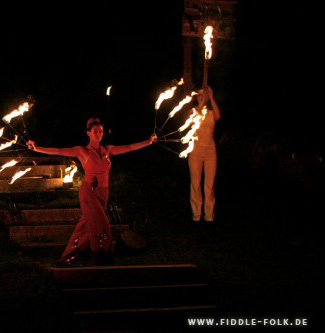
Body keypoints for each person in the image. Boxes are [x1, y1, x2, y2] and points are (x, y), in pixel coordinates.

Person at [27, 118, 157, 265]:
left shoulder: (107, 150)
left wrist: (148, 141)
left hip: (104, 192)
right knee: (102, 223)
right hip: (89, 192)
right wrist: (37, 148)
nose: (99, 134)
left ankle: (69, 258)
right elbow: (58, 150)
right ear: (88, 133)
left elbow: (130, 146)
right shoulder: (82, 151)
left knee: (85, 228)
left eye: (101, 131)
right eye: (95, 131)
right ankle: (103, 256)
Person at [188, 86, 221, 222]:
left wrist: (211, 97)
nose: (202, 97)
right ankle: (196, 215)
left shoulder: (211, 112)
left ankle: (209, 215)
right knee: (195, 183)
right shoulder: (193, 111)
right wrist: (202, 101)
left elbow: (219, 116)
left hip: (210, 151)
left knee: (209, 184)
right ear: (196, 97)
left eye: (204, 95)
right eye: (200, 95)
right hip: (195, 151)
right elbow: (196, 117)